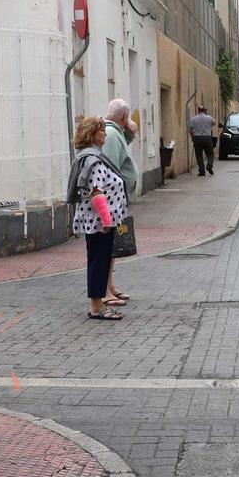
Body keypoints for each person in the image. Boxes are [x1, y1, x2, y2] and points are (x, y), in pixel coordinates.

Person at [67, 117, 129, 321]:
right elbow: (96, 192)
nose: (105, 134)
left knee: (99, 260)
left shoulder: (91, 157)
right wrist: (107, 219)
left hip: (98, 220)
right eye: (101, 130)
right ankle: (96, 306)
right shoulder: (93, 160)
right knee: (99, 261)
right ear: (92, 133)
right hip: (100, 222)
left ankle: (99, 304)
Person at [100, 99, 138, 307]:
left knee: (112, 246)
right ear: (124, 117)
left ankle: (109, 286)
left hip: (114, 202)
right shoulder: (112, 136)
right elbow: (110, 169)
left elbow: (123, 145)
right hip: (110, 203)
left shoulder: (114, 133)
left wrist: (130, 132)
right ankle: (104, 290)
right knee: (106, 247)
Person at [189, 105, 216, 176]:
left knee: (199, 155)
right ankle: (209, 165)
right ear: (204, 110)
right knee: (210, 154)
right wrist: (207, 116)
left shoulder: (193, 119)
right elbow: (214, 123)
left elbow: (191, 130)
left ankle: (202, 171)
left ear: (198, 110)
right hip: (207, 138)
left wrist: (192, 138)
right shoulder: (209, 118)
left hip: (197, 138)